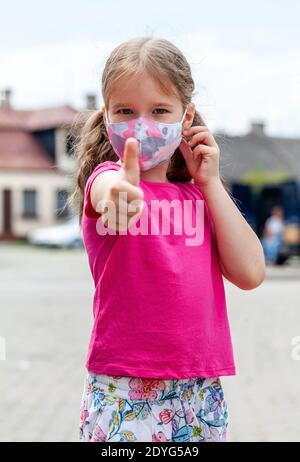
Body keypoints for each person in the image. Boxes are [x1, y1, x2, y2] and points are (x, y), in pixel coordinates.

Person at [69, 37, 266, 443]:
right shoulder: (105, 180)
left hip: (197, 388)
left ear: (186, 115)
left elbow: (250, 272)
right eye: (126, 111)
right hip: (122, 387)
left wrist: (210, 182)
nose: (142, 125)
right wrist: (117, 194)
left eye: (159, 111)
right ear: (107, 116)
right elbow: (106, 189)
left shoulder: (200, 196)